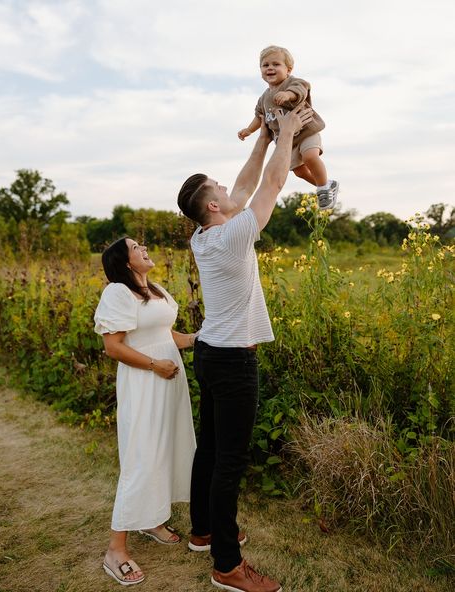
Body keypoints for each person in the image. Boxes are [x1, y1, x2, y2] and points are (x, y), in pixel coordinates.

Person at [177, 105, 313, 592]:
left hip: (211, 352)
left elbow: (243, 186)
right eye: (217, 188)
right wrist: (291, 132)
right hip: (233, 360)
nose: (225, 189)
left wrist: (263, 137)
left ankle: (204, 532)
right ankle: (227, 565)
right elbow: (271, 186)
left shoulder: (203, 235)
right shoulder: (234, 235)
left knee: (209, 450)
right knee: (229, 461)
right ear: (212, 207)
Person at [94, 237, 197, 586]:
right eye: (137, 247)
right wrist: (155, 365)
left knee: (166, 450)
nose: (144, 249)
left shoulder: (156, 290)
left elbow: (169, 336)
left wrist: (202, 337)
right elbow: (113, 347)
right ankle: (116, 550)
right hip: (144, 383)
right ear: (124, 262)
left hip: (169, 382)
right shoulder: (118, 293)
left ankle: (151, 518)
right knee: (141, 457)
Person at [238, 44, 339, 210]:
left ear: (288, 69)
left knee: (310, 157)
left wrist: (287, 95)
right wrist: (249, 130)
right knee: (299, 171)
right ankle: (327, 184)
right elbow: (259, 116)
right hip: (288, 142)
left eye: (276, 64)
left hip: (306, 132)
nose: (270, 68)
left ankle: (323, 187)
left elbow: (301, 90)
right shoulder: (263, 97)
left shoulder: (291, 83)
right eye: (265, 65)